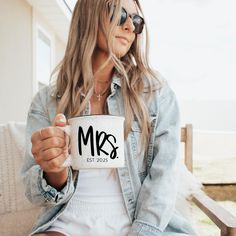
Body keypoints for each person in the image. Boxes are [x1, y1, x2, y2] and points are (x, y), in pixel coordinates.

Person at [22, 0, 197, 235]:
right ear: (88, 13)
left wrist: (142, 231)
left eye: (137, 21)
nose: (129, 27)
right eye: (118, 13)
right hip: (68, 221)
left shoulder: (156, 94)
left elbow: (164, 178)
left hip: (138, 222)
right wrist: (55, 169)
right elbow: (36, 195)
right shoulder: (47, 100)